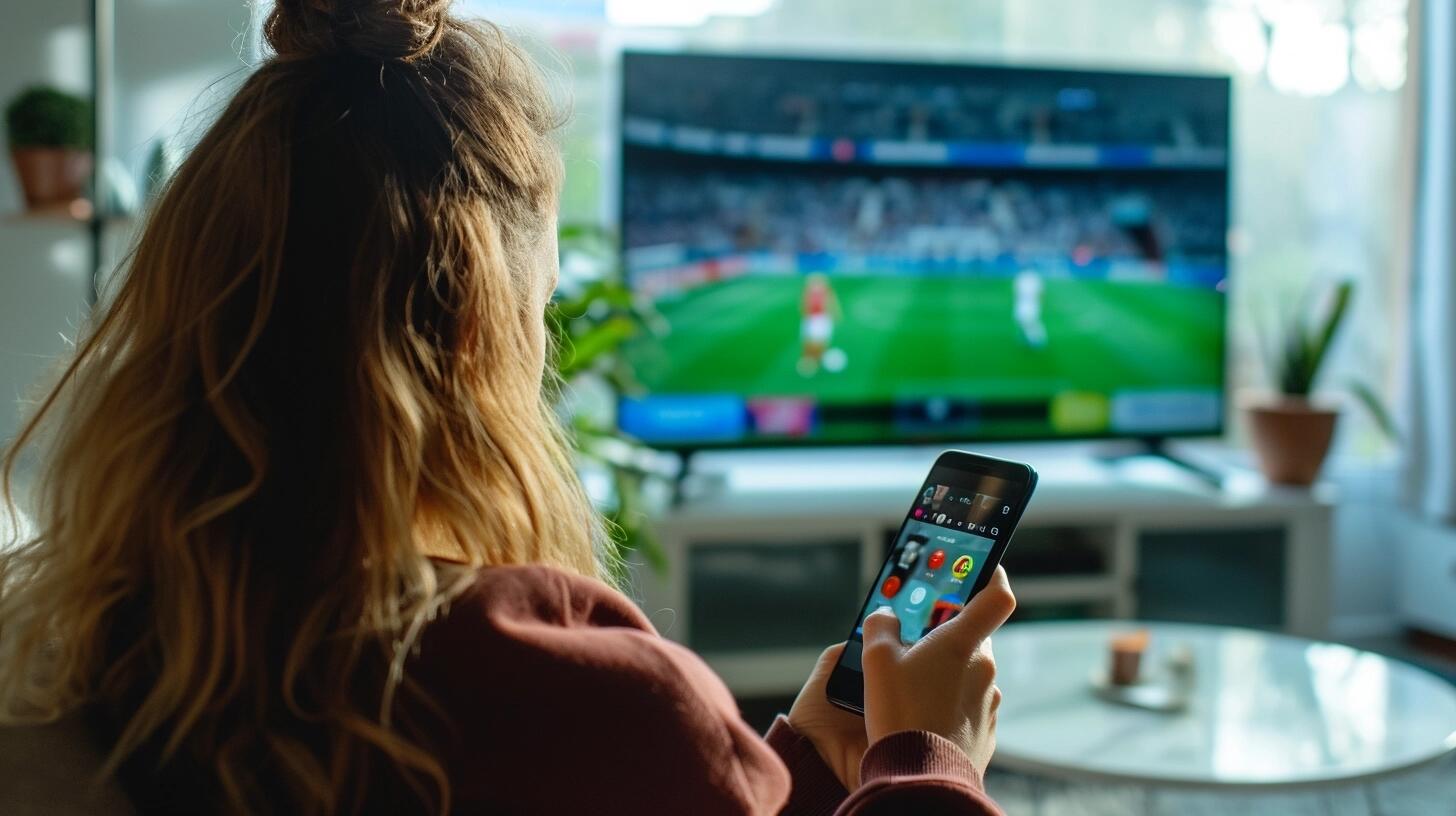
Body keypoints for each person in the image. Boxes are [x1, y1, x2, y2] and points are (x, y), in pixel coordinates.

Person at [0, 2, 1015, 813]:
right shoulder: (578, 696)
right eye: (542, 309)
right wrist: (923, 766)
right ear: (477, 337)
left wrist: (789, 763)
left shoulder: (71, 641)